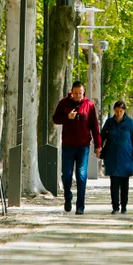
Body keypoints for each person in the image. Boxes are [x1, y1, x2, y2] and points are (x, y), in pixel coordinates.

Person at [52, 81, 101, 215]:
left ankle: (80, 205)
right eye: (76, 93)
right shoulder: (64, 103)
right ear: (71, 93)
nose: (78, 96)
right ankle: (68, 197)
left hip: (83, 146)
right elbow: (55, 119)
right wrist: (67, 117)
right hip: (68, 145)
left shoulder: (89, 105)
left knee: (81, 175)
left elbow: (94, 127)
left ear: (83, 92)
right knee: (66, 175)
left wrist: (98, 145)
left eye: (81, 93)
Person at [100, 100, 133, 215]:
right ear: (114, 110)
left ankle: (124, 206)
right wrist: (98, 149)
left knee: (124, 183)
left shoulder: (129, 123)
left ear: (124, 111)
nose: (118, 113)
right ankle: (115, 207)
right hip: (111, 156)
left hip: (126, 156)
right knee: (114, 183)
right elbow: (102, 136)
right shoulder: (109, 122)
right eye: (117, 111)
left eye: (121, 111)